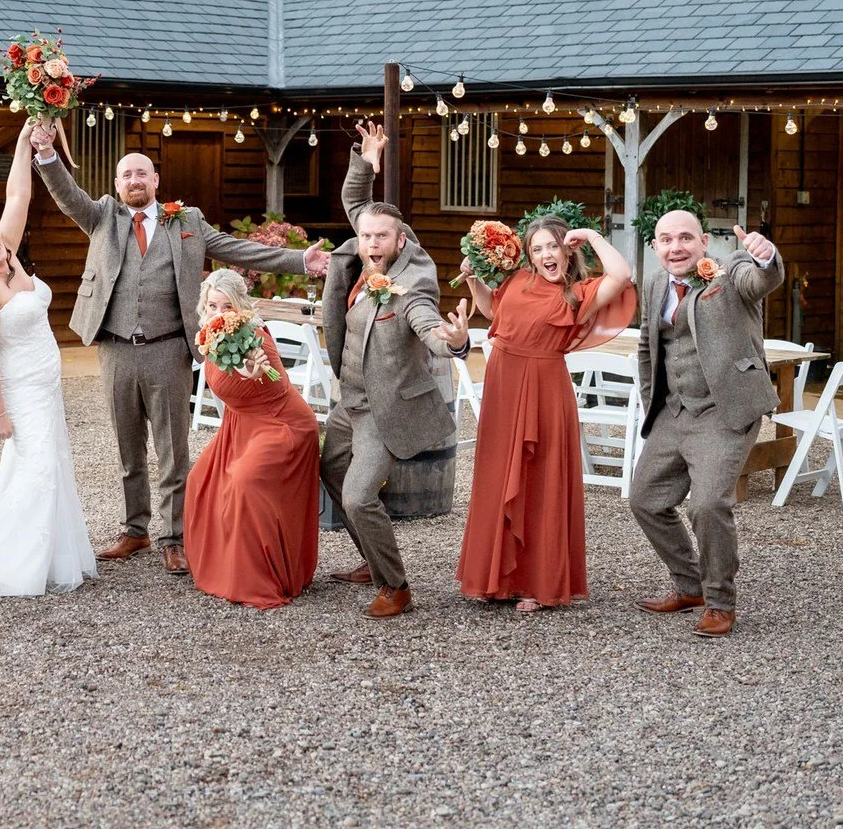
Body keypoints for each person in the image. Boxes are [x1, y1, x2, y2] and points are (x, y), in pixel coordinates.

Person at [30, 122, 328, 575]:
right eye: (126, 174)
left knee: (172, 449)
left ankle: (174, 536)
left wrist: (298, 260)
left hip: (169, 350)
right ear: (116, 184)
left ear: (156, 181)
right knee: (128, 448)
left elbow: (236, 249)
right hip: (115, 351)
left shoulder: (186, 222)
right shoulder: (103, 217)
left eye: (142, 174)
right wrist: (48, 154)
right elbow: (67, 194)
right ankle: (135, 530)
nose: (134, 181)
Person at [317, 122, 473, 618]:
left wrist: (453, 341)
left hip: (384, 410)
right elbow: (355, 197)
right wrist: (366, 159)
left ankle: (396, 586)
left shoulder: (413, 281)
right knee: (329, 468)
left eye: (381, 236)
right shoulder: (366, 247)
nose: (372, 242)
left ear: (400, 239)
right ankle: (371, 555)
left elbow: (425, 320)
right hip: (351, 400)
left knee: (360, 496)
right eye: (365, 235)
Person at [0, 120, 97, 597]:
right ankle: (14, 561)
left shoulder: (6, 251)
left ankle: (49, 556)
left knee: (52, 464)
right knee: (38, 467)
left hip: (47, 385)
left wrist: (26, 138)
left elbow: (18, 198)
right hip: (21, 392)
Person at [455, 215, 634, 612]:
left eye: (552, 246)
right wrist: (473, 278)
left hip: (544, 387)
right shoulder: (518, 280)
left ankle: (536, 582)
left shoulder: (581, 292)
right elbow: (491, 310)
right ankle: (496, 578)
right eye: (536, 249)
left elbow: (621, 274)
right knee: (499, 475)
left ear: (568, 251)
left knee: (540, 481)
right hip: (504, 381)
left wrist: (590, 236)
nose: (545, 255)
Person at [630, 212, 784, 639]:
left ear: (702, 242)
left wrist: (765, 256)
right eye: (665, 239)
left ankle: (719, 602)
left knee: (707, 505)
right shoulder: (655, 283)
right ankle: (689, 585)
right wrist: (654, 403)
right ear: (656, 246)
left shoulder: (730, 271)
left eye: (684, 238)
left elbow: (762, 281)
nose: (675, 247)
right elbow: (647, 345)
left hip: (724, 410)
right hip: (673, 411)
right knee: (645, 499)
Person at [181, 269, 322, 609]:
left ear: (240, 307)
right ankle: (222, 565)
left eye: (227, 306)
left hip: (282, 425)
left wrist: (250, 371)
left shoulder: (256, 336)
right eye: (213, 305)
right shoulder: (209, 336)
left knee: (245, 481)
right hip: (241, 424)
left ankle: (259, 577)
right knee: (201, 479)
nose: (219, 314)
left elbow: (270, 381)